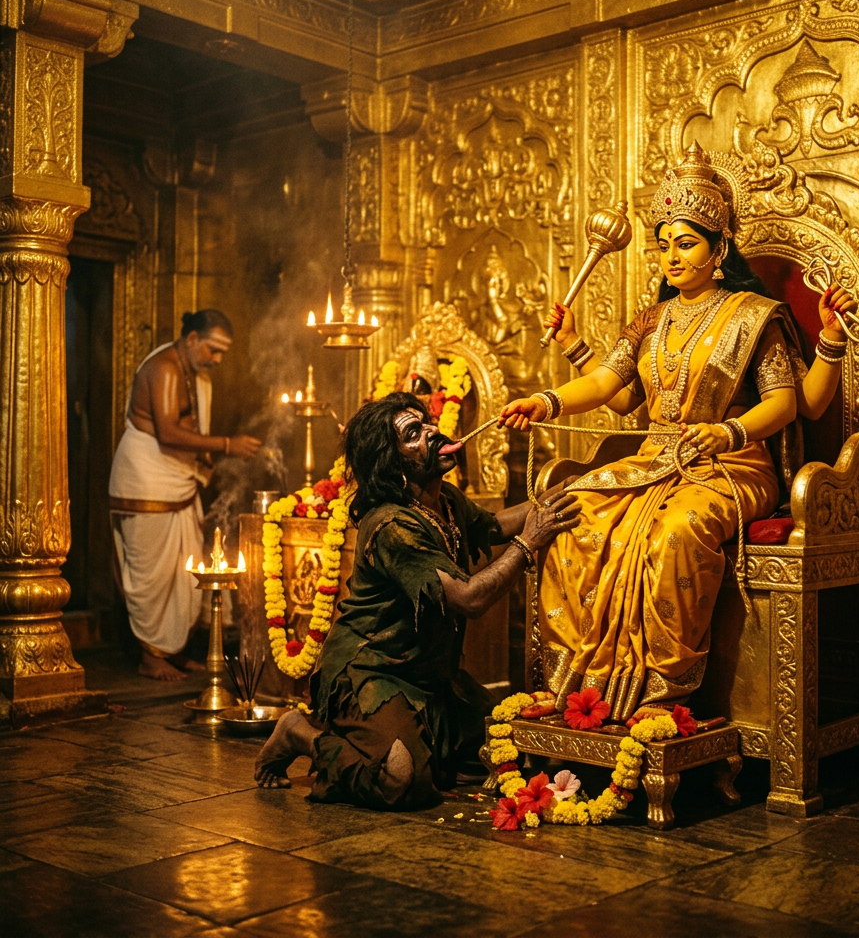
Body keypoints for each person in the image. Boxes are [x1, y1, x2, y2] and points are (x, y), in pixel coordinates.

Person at [498, 141, 857, 722]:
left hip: (733, 465)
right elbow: (615, 394)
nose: (671, 256)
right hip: (655, 460)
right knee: (574, 513)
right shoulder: (650, 320)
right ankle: (580, 688)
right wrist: (546, 398)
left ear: (720, 250)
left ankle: (664, 695)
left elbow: (789, 404)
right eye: (664, 244)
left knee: (672, 533)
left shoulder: (750, 314)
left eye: (686, 243)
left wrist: (727, 434)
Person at [254, 391, 580, 807]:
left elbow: (495, 525)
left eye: (427, 421)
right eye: (413, 433)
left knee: (512, 748)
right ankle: (300, 733)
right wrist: (529, 544)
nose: (432, 430)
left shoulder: (439, 498)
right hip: (372, 673)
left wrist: (573, 488)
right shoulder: (393, 524)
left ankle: (422, 740)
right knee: (400, 780)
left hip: (430, 677)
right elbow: (468, 599)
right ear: (393, 463)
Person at [109, 310, 262, 681]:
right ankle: (151, 656)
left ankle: (172, 650)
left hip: (176, 480)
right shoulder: (164, 367)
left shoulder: (194, 371)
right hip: (147, 480)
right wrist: (226, 444)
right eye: (214, 350)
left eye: (223, 353)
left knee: (184, 568)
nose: (218, 359)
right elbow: (167, 432)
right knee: (154, 574)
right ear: (192, 339)